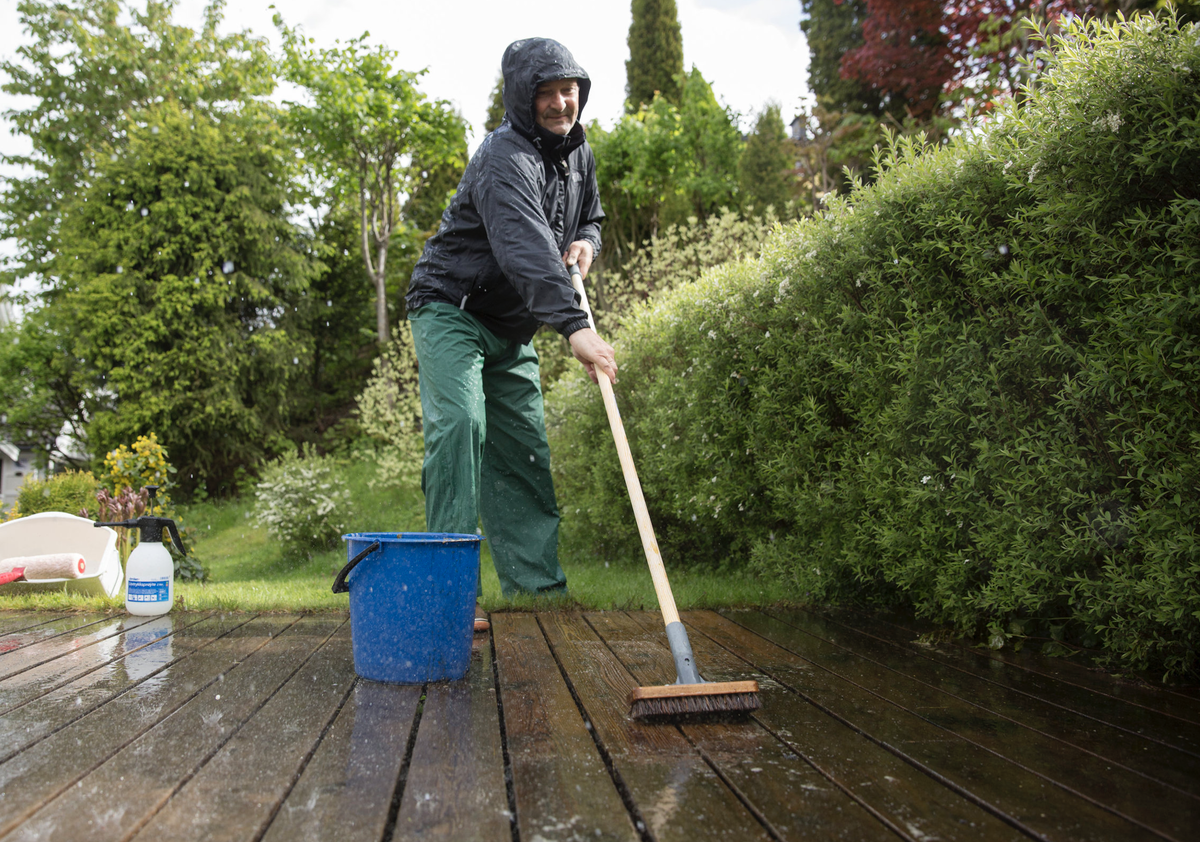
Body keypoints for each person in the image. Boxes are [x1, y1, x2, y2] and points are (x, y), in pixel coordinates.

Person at [404, 37, 616, 622]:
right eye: (544, 92)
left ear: (580, 91)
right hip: (452, 307)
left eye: (567, 89)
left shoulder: (579, 156)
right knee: (463, 425)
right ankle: (449, 598)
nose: (558, 102)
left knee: (523, 450)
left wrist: (587, 242)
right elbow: (524, 249)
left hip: (511, 326)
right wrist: (575, 328)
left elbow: (591, 216)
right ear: (522, 98)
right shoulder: (502, 157)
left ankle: (537, 596)